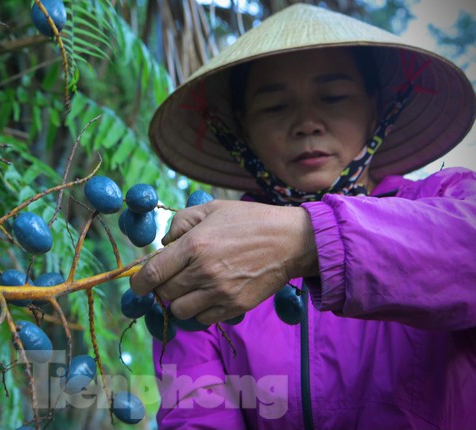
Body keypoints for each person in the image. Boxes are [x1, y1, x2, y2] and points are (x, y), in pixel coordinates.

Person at [129, 4, 476, 429]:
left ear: (375, 106)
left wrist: (307, 239)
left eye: (333, 97)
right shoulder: (208, 262)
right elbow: (196, 415)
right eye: (275, 106)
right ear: (243, 127)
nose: (307, 123)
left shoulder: (445, 198)